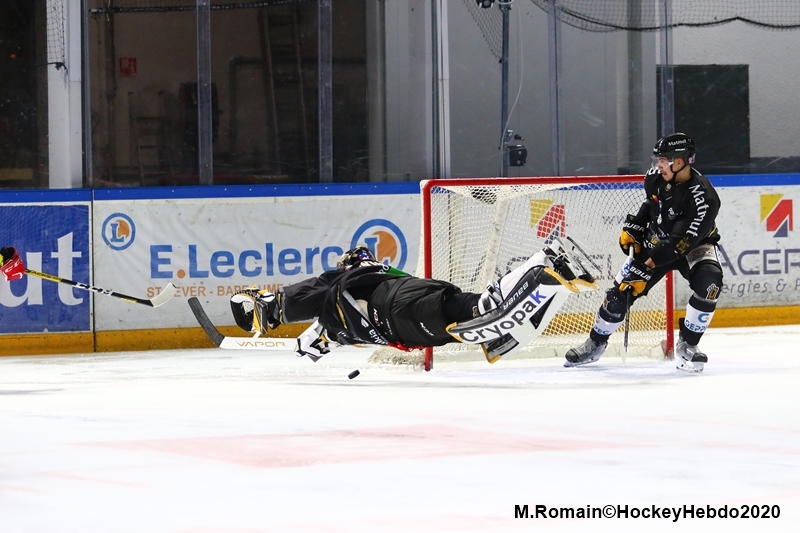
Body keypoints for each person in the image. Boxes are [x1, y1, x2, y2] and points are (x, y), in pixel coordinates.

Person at [229, 238, 598, 363]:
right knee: (491, 321)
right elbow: (325, 333)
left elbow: (331, 291)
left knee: (484, 311)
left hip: (405, 308)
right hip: (413, 322)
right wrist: (318, 340)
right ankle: (550, 269)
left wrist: (277, 310)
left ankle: (544, 263)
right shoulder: (340, 319)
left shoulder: (352, 283)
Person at [564, 132, 722, 372]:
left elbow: (680, 244)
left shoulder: (704, 199)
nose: (658, 165)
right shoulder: (656, 177)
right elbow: (652, 204)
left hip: (695, 246)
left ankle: (688, 345)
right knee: (619, 294)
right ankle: (595, 343)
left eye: (663, 160)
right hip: (658, 240)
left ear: (679, 161)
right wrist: (636, 224)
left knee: (710, 285)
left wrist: (644, 267)